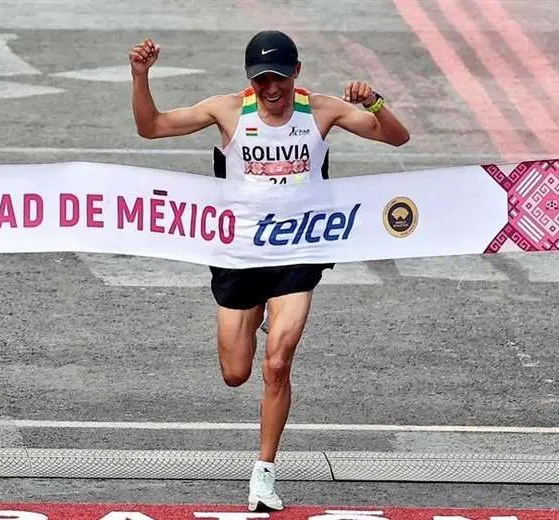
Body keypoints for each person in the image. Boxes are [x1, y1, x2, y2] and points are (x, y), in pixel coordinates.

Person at [129, 30, 410, 511]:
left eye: (279, 77)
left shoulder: (322, 111)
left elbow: (397, 138)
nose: (271, 89)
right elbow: (151, 127)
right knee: (236, 374)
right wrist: (140, 76)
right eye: (261, 80)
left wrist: (376, 102)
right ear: (250, 80)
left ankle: (264, 474)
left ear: (296, 72)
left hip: (298, 253)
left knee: (278, 363)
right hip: (239, 253)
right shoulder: (228, 110)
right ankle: (256, 314)